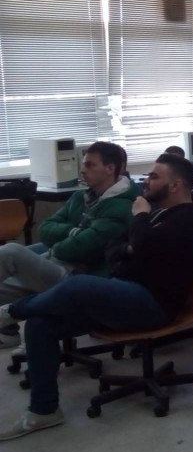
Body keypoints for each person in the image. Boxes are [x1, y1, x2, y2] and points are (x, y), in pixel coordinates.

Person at [0, 153, 193, 441]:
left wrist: (139, 222)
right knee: (40, 325)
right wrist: (131, 246)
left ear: (175, 185)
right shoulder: (158, 215)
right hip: (123, 294)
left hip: (153, 305)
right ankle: (44, 410)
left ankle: (11, 312)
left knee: (78, 285)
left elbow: (143, 243)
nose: (146, 181)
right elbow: (114, 248)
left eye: (154, 177)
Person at [0, 141, 138, 350]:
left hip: (80, 280)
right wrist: (73, 232)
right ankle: (8, 333)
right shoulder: (80, 196)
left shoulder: (122, 206)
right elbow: (45, 229)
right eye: (83, 164)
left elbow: (81, 248)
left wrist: (59, 244)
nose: (82, 170)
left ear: (110, 168)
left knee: (11, 252)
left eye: (90, 165)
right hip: (57, 266)